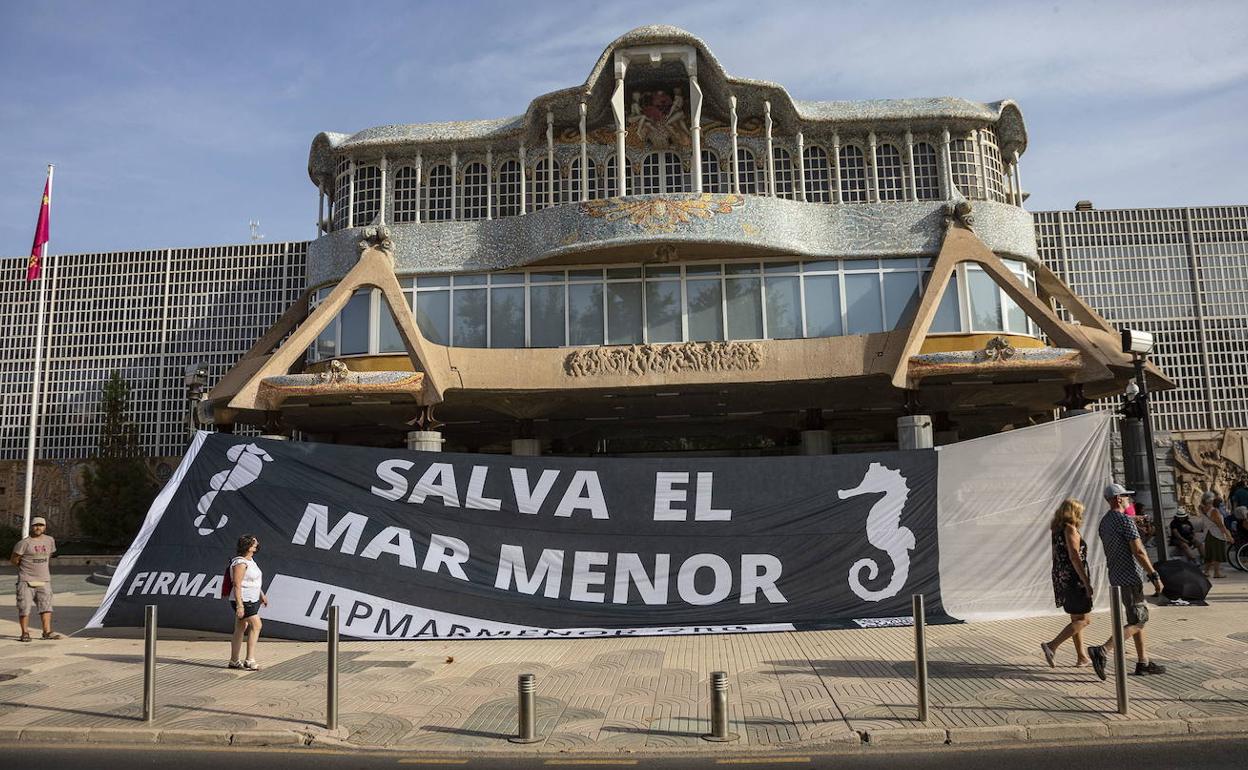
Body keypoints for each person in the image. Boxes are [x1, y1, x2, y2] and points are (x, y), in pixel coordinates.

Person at [1087, 483, 1166, 679]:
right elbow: (1138, 550)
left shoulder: (1105, 522)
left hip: (1117, 576)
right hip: (1132, 577)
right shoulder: (1125, 521)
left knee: (1135, 619)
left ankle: (1143, 662)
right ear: (1118, 499)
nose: (1129, 499)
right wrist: (1153, 574)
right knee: (1140, 620)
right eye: (1126, 496)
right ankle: (1103, 650)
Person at [1041, 499, 1093, 668]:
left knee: (1075, 618)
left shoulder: (1057, 530)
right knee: (1084, 620)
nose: (1082, 515)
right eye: (1080, 512)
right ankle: (1052, 645)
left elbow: (1057, 556)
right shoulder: (1070, 529)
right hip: (1074, 578)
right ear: (1074, 512)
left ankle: (1081, 657)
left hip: (1062, 576)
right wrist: (1085, 582)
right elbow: (1074, 556)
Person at [10, 517, 64, 642]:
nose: (38, 527)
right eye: (35, 525)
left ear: (45, 527)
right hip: (26, 580)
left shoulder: (50, 540)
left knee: (46, 607)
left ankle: (47, 632)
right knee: (24, 607)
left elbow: (49, 555)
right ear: (31, 527)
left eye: (41, 525)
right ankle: (25, 633)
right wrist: (25, 567)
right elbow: (14, 559)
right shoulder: (24, 543)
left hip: (44, 580)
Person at [228, 534, 268, 671]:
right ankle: (250, 660)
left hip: (252, 598)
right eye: (254, 543)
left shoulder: (251, 561)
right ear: (248, 547)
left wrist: (262, 594)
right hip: (244, 600)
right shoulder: (240, 563)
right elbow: (237, 584)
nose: (257, 545)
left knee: (240, 627)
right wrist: (240, 605)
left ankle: (234, 660)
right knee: (257, 624)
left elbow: (253, 580)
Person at [1198, 492, 1232, 578]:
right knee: (1218, 554)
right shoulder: (1214, 511)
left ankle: (1206, 571)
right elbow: (1221, 525)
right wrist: (1229, 536)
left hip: (1208, 533)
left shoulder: (1201, 508)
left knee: (1209, 554)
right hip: (1216, 534)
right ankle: (1217, 573)